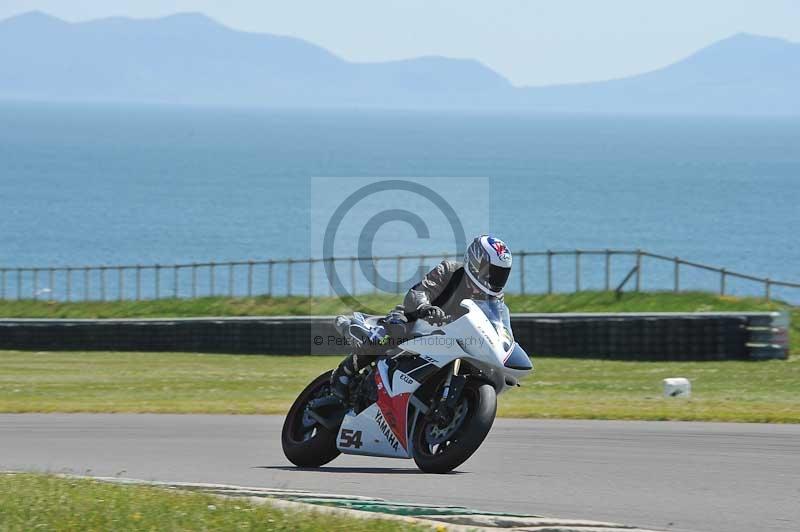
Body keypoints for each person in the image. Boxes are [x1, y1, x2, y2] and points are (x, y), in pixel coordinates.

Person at [330, 234, 513, 400]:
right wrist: (425, 308)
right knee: (391, 334)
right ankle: (346, 371)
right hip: (415, 320)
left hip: (450, 337)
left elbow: (495, 322)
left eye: (501, 275)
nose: (495, 279)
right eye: (492, 272)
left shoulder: (494, 298)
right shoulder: (450, 271)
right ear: (475, 262)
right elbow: (417, 293)